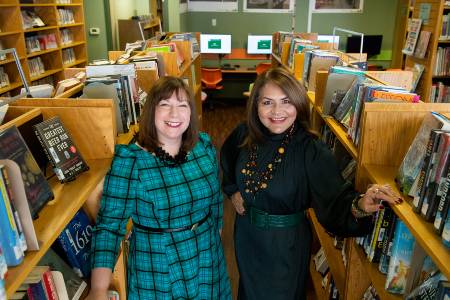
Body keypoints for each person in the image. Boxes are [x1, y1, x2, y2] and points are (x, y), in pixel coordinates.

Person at [220, 67, 402, 300]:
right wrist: (233, 190)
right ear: (255, 105)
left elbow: (335, 202)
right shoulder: (245, 133)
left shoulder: (311, 150)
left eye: (286, 101)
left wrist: (360, 205)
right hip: (247, 236)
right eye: (267, 102)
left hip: (285, 245)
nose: (277, 111)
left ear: (298, 103)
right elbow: (227, 159)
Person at [88, 76, 231, 299]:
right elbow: (109, 227)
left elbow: (215, 203)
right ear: (151, 111)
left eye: (182, 106)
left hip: (206, 254)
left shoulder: (203, 147)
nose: (174, 115)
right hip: (157, 262)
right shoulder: (130, 161)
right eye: (165, 105)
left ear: (190, 112)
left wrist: (214, 241)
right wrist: (98, 290)